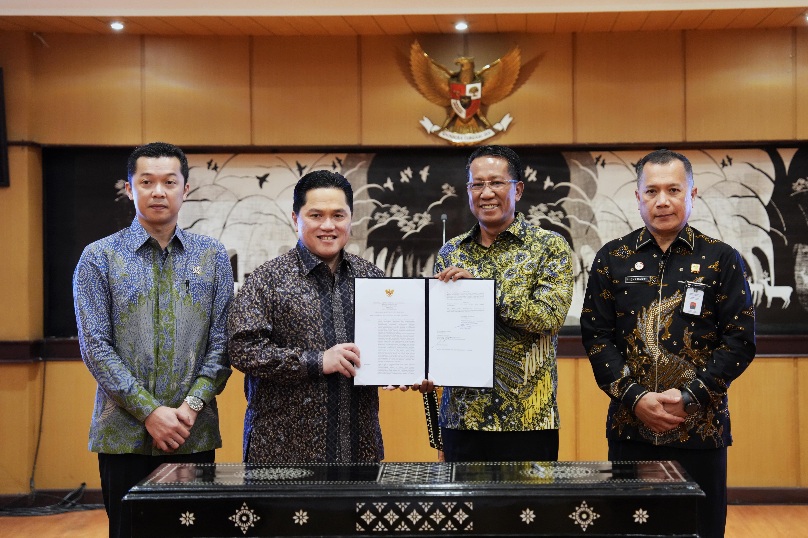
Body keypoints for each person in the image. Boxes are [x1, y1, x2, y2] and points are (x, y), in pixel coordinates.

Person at [580, 149, 756, 538]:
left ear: (692, 194)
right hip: (631, 429)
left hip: (700, 429)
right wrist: (634, 397)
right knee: (630, 529)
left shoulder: (721, 260)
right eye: (652, 191)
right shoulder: (613, 258)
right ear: (638, 197)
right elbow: (596, 337)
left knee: (700, 529)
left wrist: (691, 395)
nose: (663, 201)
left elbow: (739, 341)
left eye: (674, 189)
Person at [73, 142, 233, 538]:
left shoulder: (212, 256)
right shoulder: (98, 257)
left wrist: (190, 408)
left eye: (169, 181)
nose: (158, 191)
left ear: (186, 189)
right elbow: (95, 345)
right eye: (147, 182)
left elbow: (223, 343)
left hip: (191, 432)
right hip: (123, 436)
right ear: (130, 189)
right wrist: (149, 412)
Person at [227, 170, 431, 464]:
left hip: (359, 450)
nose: (328, 225)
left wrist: (408, 370)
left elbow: (392, 345)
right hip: (282, 453)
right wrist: (317, 361)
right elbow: (242, 350)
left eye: (338, 215)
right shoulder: (267, 279)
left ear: (350, 218)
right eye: (316, 215)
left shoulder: (371, 277)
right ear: (296, 219)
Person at [433, 145, 574, 462]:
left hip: (528, 421)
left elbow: (547, 318)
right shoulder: (451, 252)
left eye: (496, 183)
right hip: (461, 418)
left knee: (526, 512)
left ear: (518, 189)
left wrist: (484, 292)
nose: (486, 193)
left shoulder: (550, 246)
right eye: (477, 184)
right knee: (463, 512)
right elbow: (442, 329)